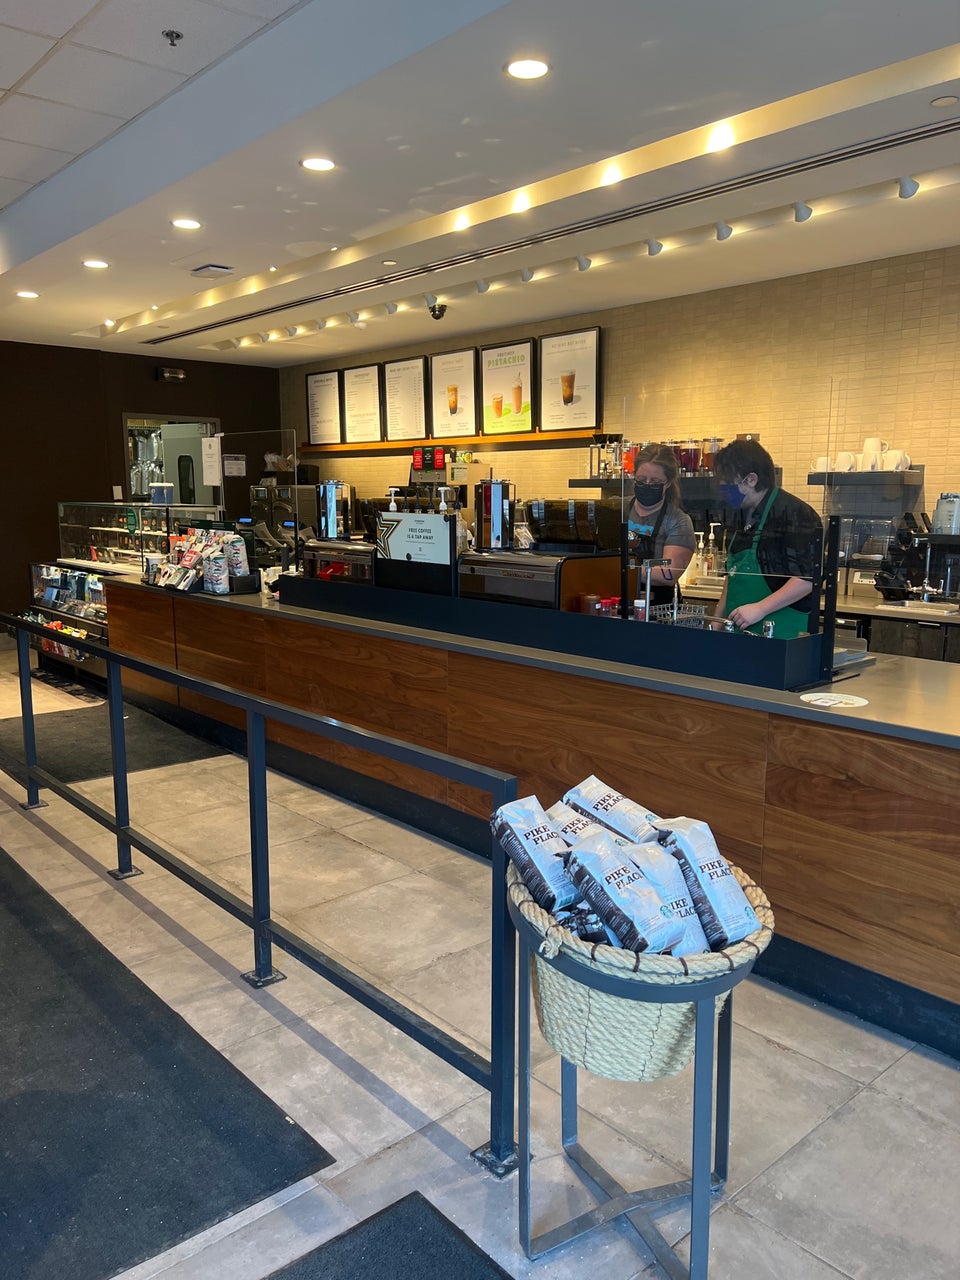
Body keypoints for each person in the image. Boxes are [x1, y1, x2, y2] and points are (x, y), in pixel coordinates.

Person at [712, 439, 823, 638]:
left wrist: (760, 608)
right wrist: (715, 624)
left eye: (727, 483)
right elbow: (733, 576)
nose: (723, 489)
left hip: (782, 634)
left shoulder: (794, 513)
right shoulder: (740, 514)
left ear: (751, 480)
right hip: (739, 632)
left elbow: (807, 579)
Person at [626, 443, 695, 608]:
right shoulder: (616, 509)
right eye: (641, 479)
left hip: (659, 610)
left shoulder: (678, 521)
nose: (647, 484)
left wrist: (621, 568)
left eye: (655, 481)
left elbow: (668, 573)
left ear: (668, 483)